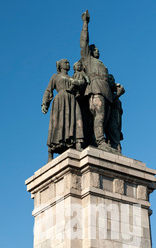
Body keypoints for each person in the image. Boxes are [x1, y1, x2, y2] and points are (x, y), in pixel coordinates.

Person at [80, 10, 115, 152]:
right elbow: (84, 42)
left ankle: (101, 140)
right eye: (94, 49)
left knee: (105, 120)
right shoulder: (88, 60)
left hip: (107, 93)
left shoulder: (102, 65)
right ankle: (100, 142)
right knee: (99, 117)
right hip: (96, 90)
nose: (97, 50)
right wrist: (85, 24)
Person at [42, 59, 84, 162]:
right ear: (60, 66)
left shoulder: (73, 77)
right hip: (60, 100)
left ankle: (78, 143)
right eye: (65, 63)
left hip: (72, 100)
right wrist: (45, 103)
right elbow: (48, 90)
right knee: (57, 124)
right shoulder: (55, 77)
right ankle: (50, 153)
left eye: (68, 63)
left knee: (76, 121)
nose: (68, 64)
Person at [106, 74, 125, 154]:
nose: (113, 81)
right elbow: (109, 102)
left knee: (116, 137)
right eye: (110, 79)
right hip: (110, 118)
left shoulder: (117, 98)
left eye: (113, 79)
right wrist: (118, 94)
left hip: (117, 121)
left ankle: (117, 150)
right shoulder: (107, 94)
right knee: (114, 137)